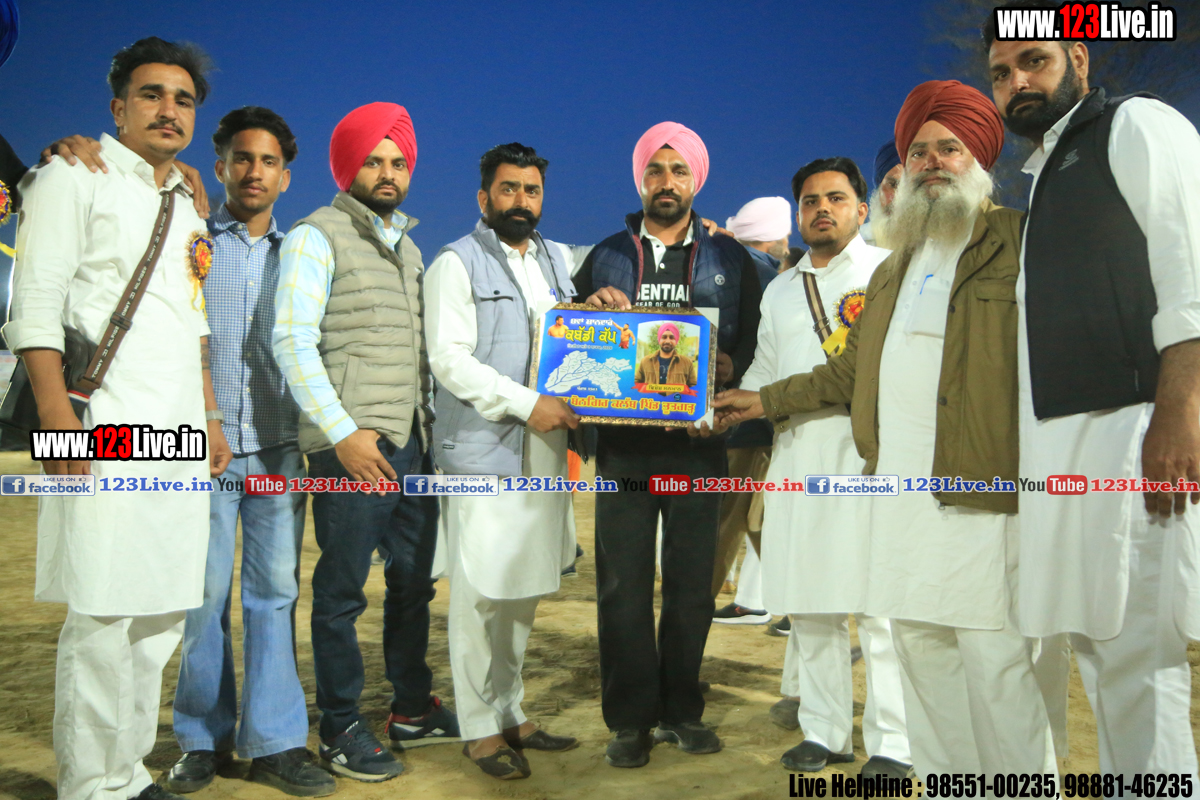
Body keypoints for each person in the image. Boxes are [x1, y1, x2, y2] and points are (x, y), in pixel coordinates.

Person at [713, 81, 1057, 775]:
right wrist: (752, 400)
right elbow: (847, 372)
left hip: (979, 496)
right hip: (895, 496)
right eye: (918, 152)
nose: (932, 163)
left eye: (949, 149)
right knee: (921, 654)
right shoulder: (896, 270)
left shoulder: (1020, 242)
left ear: (980, 158)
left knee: (995, 663)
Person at [2, 37, 233, 800]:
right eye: (151, 94)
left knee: (161, 614)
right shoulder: (71, 177)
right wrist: (55, 415)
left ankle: (128, 775)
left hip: (177, 434)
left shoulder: (186, 203)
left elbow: (192, 318)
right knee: (102, 616)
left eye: (183, 99)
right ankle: (89, 786)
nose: (169, 110)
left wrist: (209, 415)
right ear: (118, 108)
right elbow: (35, 303)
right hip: (101, 426)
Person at [986, 4, 1200, 774]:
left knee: (1139, 665)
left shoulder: (1136, 124)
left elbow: (1191, 268)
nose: (1017, 82)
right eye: (1001, 74)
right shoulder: (1047, 174)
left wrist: (1180, 411)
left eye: (1033, 61)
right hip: (1067, 455)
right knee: (1104, 657)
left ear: (1079, 57)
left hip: (1135, 438)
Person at [273, 102, 458, 783]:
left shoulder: (409, 249)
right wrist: (342, 433)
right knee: (342, 591)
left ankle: (411, 708)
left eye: (399, 162)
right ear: (347, 166)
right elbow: (291, 341)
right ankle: (340, 725)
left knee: (413, 585)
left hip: (411, 444)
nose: (388, 173)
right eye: (374, 160)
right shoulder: (314, 235)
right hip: (350, 448)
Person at [573, 121, 762, 768]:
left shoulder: (729, 258)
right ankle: (630, 720)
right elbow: (572, 338)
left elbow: (755, 339)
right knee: (622, 587)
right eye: (655, 170)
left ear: (696, 180)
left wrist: (731, 368)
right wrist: (591, 309)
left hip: (697, 446)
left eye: (679, 170)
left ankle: (682, 709)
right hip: (624, 448)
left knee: (689, 588)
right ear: (640, 180)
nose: (666, 181)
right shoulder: (605, 255)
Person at [715, 159, 911, 777]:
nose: (822, 208)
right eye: (809, 200)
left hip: (869, 458)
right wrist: (726, 404)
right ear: (798, 214)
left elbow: (873, 371)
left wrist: (760, 399)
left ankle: (894, 742)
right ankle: (824, 732)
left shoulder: (887, 271)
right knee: (811, 604)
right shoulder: (780, 289)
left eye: (836, 198)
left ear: (861, 209)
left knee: (878, 608)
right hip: (797, 457)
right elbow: (765, 370)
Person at [164, 107, 334, 796]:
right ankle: (201, 740)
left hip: (278, 449)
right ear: (221, 167)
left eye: (268, 162)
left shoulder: (303, 254)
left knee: (274, 595)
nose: (254, 171)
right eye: (242, 158)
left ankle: (276, 742)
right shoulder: (191, 242)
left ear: (285, 177)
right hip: (202, 449)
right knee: (201, 597)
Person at [425, 142, 581, 780]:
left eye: (532, 190)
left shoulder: (557, 260)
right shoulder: (454, 263)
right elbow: (448, 359)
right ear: (484, 197)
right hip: (482, 454)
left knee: (522, 589)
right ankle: (479, 728)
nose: (521, 201)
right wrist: (525, 403)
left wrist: (598, 302)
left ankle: (511, 709)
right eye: (509, 189)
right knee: (480, 595)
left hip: (543, 454)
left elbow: (580, 329)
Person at [711, 196, 791, 623]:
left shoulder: (728, 265)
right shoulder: (768, 277)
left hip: (734, 410)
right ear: (773, 236)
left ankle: (789, 602)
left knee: (747, 517)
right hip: (753, 417)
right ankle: (795, 603)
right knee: (742, 518)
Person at [634, 322, 697, 389]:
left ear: (676, 341)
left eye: (671, 338)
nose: (667, 341)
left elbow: (694, 387)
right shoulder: (645, 361)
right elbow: (636, 384)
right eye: (664, 337)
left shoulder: (687, 363)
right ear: (659, 340)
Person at [865, 139, 901, 250]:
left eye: (910, 186)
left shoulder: (941, 246)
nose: (899, 197)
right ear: (878, 189)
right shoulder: (851, 245)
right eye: (893, 185)